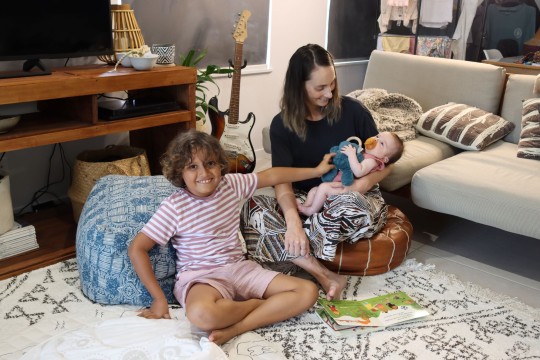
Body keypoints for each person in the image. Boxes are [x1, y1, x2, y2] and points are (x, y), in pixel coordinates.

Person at [128, 129, 335, 345]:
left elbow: (272, 175)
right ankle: (257, 305)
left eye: (210, 163)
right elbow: (137, 248)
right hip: (201, 278)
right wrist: (158, 299)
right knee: (201, 315)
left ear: (220, 164)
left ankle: (236, 328)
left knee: (307, 291)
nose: (204, 173)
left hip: (241, 269)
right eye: (192, 166)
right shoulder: (174, 206)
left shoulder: (231, 184)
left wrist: (316, 170)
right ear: (180, 172)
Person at [241, 44, 392, 301]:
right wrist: (292, 223)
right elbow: (283, 180)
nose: (329, 92)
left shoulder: (354, 111)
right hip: (307, 199)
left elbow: (386, 163)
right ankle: (322, 272)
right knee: (251, 208)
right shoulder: (281, 126)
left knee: (348, 204)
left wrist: (361, 186)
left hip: (351, 197)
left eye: (332, 83)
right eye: (320, 88)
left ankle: (293, 254)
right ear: (299, 86)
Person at [298, 131, 403, 216]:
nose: (375, 140)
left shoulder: (373, 161)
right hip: (341, 184)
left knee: (323, 188)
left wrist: (351, 154)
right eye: (377, 136)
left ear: (385, 159)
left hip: (348, 190)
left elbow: (359, 171)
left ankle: (312, 210)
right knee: (314, 190)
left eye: (382, 143)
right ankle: (305, 207)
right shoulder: (365, 154)